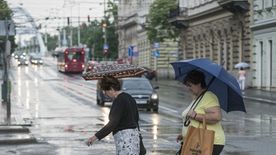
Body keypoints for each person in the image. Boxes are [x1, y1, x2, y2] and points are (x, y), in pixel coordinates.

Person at [87, 75, 140, 154]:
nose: (105, 94)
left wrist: (95, 137)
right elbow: (136, 119)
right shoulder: (129, 97)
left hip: (125, 141)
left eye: (105, 91)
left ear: (111, 89)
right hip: (134, 139)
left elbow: (112, 124)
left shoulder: (119, 101)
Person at [176, 70, 225, 155]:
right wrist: (184, 134)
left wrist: (195, 115)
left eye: (190, 85)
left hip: (209, 141)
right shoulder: (198, 98)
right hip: (195, 140)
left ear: (198, 84)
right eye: (187, 85)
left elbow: (217, 116)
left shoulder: (208, 96)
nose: (188, 88)